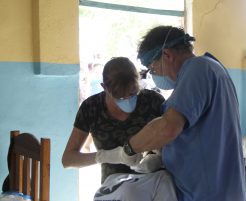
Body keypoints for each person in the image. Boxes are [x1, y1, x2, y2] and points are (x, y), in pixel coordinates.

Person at [121, 25, 246, 201]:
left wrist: (128, 149)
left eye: (153, 68)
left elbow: (168, 127)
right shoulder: (213, 69)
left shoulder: (198, 68)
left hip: (208, 194)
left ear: (167, 55)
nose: (155, 75)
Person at [62, 57, 177, 201]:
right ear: (104, 87)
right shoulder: (91, 108)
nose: (127, 99)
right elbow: (68, 160)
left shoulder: (152, 101)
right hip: (115, 188)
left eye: (132, 93)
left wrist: (159, 158)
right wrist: (107, 156)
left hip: (154, 181)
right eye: (119, 96)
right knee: (129, 193)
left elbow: (177, 141)